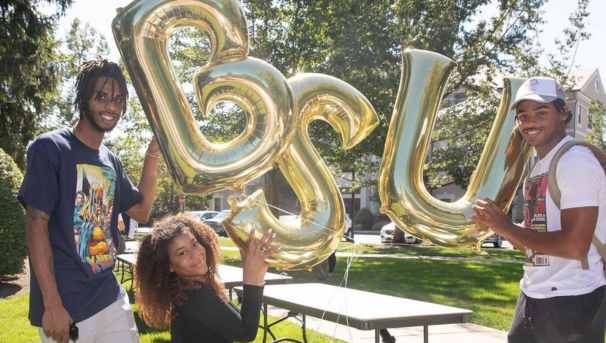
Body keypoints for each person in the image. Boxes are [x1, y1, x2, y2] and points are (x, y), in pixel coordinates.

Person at [18, 58, 160, 343]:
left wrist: (153, 155)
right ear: (84, 98)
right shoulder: (51, 148)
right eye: (102, 97)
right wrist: (52, 306)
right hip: (68, 310)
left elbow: (142, 211)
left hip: (110, 297)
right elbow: (35, 225)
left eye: (118, 99)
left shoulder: (111, 161)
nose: (111, 106)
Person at [470, 76, 606, 342]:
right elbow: (533, 245)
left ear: (564, 113)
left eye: (541, 112)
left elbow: (574, 247)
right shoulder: (540, 166)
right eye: (523, 116)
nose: (530, 122)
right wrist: (496, 225)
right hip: (534, 294)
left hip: (573, 298)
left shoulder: (575, 162)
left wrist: (506, 227)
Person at [134, 215, 279, 343]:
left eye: (195, 244)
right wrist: (250, 277)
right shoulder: (195, 295)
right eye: (182, 253)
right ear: (169, 266)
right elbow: (246, 332)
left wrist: (257, 277)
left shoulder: (190, 290)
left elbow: (238, 320)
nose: (195, 254)